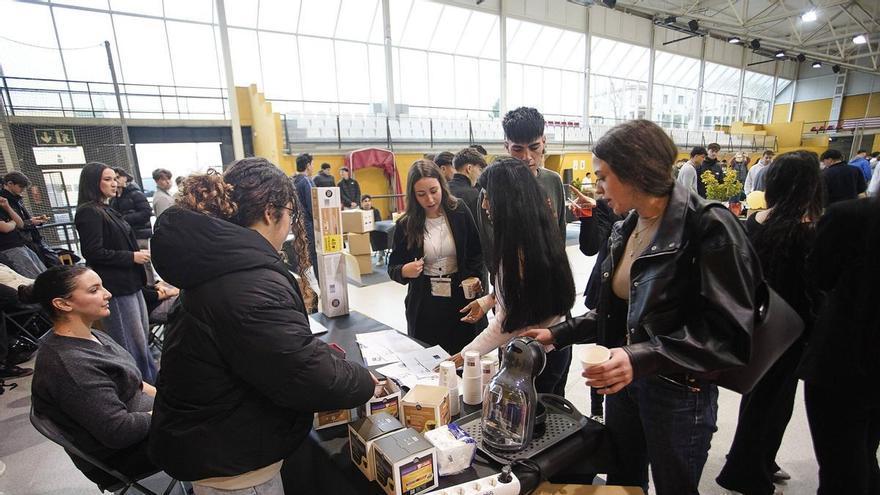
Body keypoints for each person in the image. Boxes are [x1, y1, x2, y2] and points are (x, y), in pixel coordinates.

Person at [524, 120, 761, 495]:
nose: (598, 188)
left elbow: (727, 334)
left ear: (635, 172)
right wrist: (558, 334)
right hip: (626, 385)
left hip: (679, 393)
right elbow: (620, 312)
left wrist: (639, 358)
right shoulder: (628, 226)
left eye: (603, 176)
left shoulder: (710, 226)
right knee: (624, 483)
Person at [149, 158, 375, 495]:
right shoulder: (248, 281)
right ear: (271, 213)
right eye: (289, 214)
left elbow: (269, 348)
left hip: (212, 440)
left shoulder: (221, 263)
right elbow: (306, 375)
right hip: (233, 461)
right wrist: (363, 381)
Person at [716, 151, 824, 495]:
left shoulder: (755, 221)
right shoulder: (804, 232)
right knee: (774, 404)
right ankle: (748, 471)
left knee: (759, 399)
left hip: (758, 323)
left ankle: (757, 461)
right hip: (790, 331)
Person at [27, 265, 157, 490]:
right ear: (63, 304)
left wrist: (171, 401)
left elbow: (135, 383)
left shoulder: (93, 335)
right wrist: (171, 412)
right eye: (94, 290)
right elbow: (119, 432)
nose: (108, 294)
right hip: (126, 455)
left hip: (144, 431)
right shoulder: (69, 365)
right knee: (216, 421)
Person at [453, 159, 575, 394]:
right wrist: (489, 300)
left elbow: (507, 324)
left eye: (489, 197)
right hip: (552, 347)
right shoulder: (538, 232)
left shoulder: (520, 251)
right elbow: (526, 294)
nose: (484, 205)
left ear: (507, 201)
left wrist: (465, 355)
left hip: (535, 357)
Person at [800, 194, 880, 495]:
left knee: (841, 463)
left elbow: (819, 276)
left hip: (843, 355)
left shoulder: (850, 215)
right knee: (864, 450)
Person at [388, 160, 487, 355]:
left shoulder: (459, 210)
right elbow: (393, 267)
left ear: (442, 185)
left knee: (464, 356)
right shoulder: (406, 224)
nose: (430, 199)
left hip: (460, 297)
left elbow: (476, 251)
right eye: (421, 194)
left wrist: (475, 276)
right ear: (413, 195)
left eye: (434, 191)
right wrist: (404, 271)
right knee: (429, 358)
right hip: (425, 303)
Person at [74, 162, 156, 384]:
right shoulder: (89, 212)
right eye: (107, 179)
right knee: (129, 343)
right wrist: (131, 257)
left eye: (114, 179)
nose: (114, 183)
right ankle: (139, 389)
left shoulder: (106, 208)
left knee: (141, 341)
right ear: (94, 182)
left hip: (130, 282)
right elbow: (93, 252)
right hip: (116, 286)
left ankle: (152, 385)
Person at [572, 186, 622, 419]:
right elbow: (590, 247)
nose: (602, 187)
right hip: (605, 287)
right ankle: (596, 409)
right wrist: (588, 213)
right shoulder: (604, 205)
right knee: (601, 349)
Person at [502, 107, 567, 244]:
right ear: (507, 147)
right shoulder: (494, 186)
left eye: (534, 147)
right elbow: (491, 246)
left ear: (544, 142)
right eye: (518, 149)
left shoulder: (553, 180)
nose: (527, 157)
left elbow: (560, 234)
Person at [0, 171, 56, 270]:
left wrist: (30, 221)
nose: (22, 190)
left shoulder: (14, 200)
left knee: (43, 269)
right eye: (20, 186)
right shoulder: (6, 200)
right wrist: (27, 222)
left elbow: (20, 222)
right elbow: (7, 226)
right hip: (11, 244)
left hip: (24, 241)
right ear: (9, 184)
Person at [292, 153, 318, 279]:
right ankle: (322, 285)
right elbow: (314, 207)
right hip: (309, 224)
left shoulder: (292, 181)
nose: (313, 167)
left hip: (297, 224)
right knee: (316, 255)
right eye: (312, 164)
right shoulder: (306, 181)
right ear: (308, 165)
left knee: (302, 256)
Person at [110, 168, 153, 245]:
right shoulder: (113, 198)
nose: (116, 180)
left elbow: (146, 213)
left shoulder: (136, 193)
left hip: (140, 234)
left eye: (118, 177)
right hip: (126, 236)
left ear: (125, 178)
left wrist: (124, 218)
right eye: (113, 179)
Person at [448, 147, 486, 224]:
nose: (480, 174)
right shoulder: (473, 194)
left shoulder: (443, 188)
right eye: (480, 169)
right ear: (469, 168)